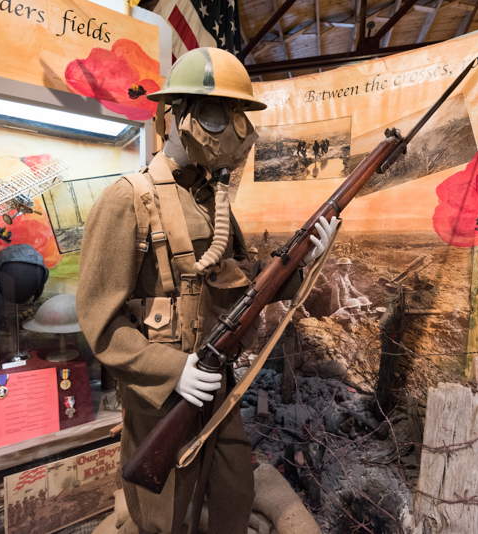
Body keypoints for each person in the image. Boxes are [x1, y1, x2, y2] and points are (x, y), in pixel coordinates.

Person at [77, 47, 336, 534]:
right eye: (218, 116)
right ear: (178, 115)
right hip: (163, 396)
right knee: (167, 515)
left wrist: (301, 266)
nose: (234, 134)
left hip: (216, 385)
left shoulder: (210, 201)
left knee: (233, 495)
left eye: (238, 118)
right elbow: (100, 321)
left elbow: (239, 280)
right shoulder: (129, 199)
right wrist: (173, 371)